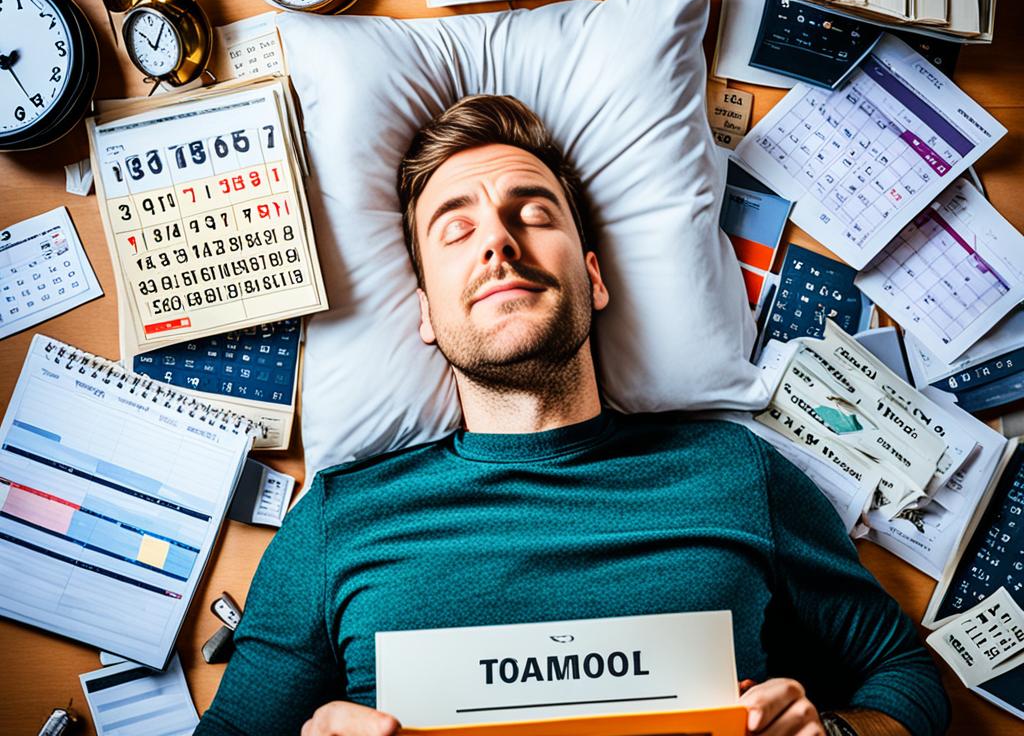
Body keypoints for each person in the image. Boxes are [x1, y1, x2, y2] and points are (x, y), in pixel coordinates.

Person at [196, 95, 950, 736]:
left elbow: (906, 676)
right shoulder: (338, 520)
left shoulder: (732, 471)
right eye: (456, 231)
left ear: (592, 279)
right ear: (425, 312)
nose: (498, 238)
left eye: (531, 211)